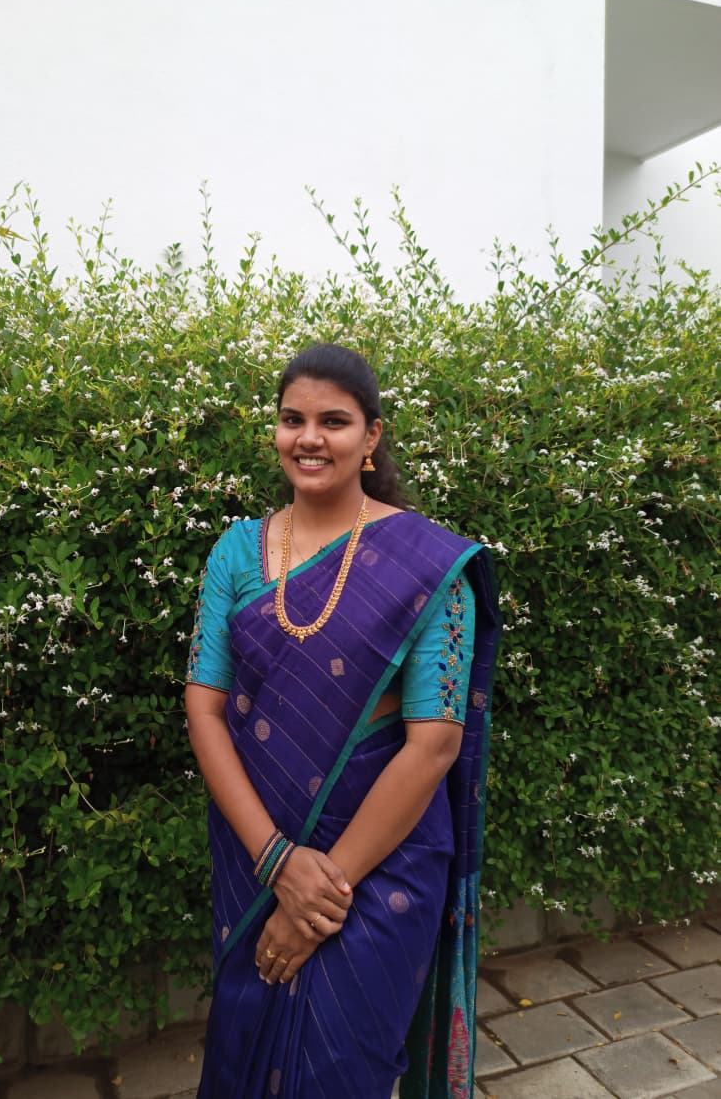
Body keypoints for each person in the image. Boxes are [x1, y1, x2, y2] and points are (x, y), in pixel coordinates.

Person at [185, 344, 501, 1098]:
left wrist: (319, 892)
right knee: (242, 1054)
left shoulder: (430, 567)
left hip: (383, 864)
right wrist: (276, 863)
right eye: (292, 419)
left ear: (371, 436)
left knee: (343, 1063)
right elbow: (204, 707)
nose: (309, 438)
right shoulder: (236, 553)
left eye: (334, 421)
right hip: (257, 849)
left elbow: (433, 747)